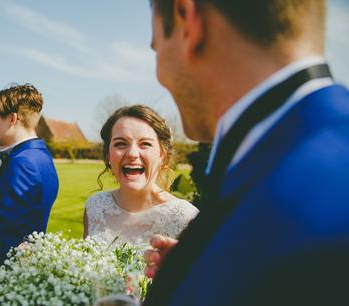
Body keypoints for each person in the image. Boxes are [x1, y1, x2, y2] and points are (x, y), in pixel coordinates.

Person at [143, 1, 349, 305]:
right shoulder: (297, 154)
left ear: (187, 19)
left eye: (156, 46)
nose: (159, 73)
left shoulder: (314, 219)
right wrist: (206, 266)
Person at [83, 105, 198, 247]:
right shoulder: (95, 207)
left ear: (161, 154)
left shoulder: (186, 218)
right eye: (120, 144)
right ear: (108, 156)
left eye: (145, 144)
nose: (132, 154)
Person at [0, 83, 59, 274]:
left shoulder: (23, 162)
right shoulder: (36, 156)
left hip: (3, 273)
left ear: (12, 118)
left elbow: (3, 231)